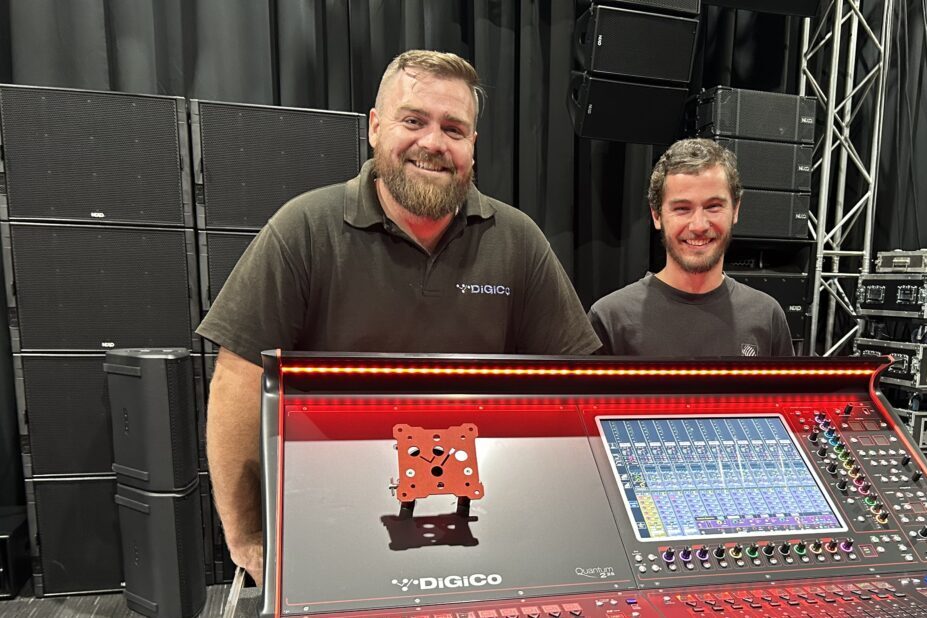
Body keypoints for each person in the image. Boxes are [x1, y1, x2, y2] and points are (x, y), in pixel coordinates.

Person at [197, 50, 599, 585]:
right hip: (331, 527)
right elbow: (239, 382)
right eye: (413, 120)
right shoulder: (303, 230)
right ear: (374, 127)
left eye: (453, 128)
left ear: (473, 145)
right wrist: (247, 534)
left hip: (485, 531)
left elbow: (576, 388)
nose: (433, 143)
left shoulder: (518, 240)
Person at [588, 138, 793, 357]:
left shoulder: (766, 316)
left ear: (735, 210)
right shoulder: (611, 319)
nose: (699, 225)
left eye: (713, 206)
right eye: (682, 208)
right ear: (656, 215)